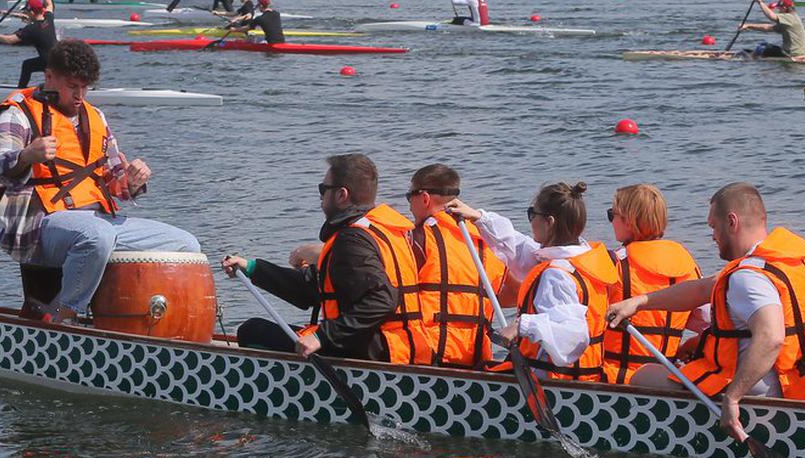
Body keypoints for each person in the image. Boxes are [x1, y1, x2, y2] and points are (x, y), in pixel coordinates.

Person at [0, 39, 200, 323]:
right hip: (40, 225)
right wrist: (27, 155)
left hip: (98, 222)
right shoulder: (18, 112)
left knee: (186, 244)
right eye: (73, 86)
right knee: (96, 236)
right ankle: (62, 314)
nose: (80, 95)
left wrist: (133, 181)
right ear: (50, 77)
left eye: (85, 87)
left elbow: (115, 180)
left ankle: (141, 322)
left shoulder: (94, 116)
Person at [606, 183, 805, 440]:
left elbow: (771, 338)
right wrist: (639, 301)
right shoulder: (788, 260)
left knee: (643, 375)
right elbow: (703, 288)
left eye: (713, 227)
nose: (712, 236)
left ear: (731, 222)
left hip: (762, 391)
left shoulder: (748, 278)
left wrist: (732, 398)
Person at [222, 153, 429, 363]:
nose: (320, 196)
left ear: (341, 195)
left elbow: (382, 299)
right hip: (396, 349)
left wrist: (322, 336)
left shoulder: (353, 240)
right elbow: (311, 289)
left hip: (373, 355)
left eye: (323, 189)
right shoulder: (383, 231)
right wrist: (252, 268)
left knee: (252, 331)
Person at [446, 182, 618, 380]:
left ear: (549, 222)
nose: (530, 221)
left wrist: (522, 325)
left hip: (555, 387)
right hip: (585, 378)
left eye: (532, 215)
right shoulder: (581, 260)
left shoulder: (556, 275)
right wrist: (480, 218)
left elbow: (573, 335)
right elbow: (519, 248)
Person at [407, 163, 512, 368]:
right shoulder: (487, 239)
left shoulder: (417, 238)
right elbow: (514, 294)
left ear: (424, 198)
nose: (409, 205)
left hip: (428, 359)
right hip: (476, 358)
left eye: (409, 196)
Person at [604, 184, 705, 384]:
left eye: (611, 214)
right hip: (666, 377)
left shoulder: (614, 264)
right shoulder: (688, 266)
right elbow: (709, 323)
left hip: (615, 380)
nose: (610, 221)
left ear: (628, 221)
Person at [0, 0, 56, 88]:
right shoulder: (48, 18)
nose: (25, 13)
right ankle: (49, 86)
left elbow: (10, 40)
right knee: (33, 65)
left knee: (27, 65)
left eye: (26, 11)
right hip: (58, 58)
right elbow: (50, 4)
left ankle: (20, 90)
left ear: (31, 11)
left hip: (48, 62)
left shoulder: (31, 28)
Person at [738, 0, 805, 58]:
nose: (778, 11)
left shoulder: (790, 17)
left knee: (761, 48)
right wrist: (748, 26)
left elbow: (771, 16)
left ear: (784, 8)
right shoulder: (791, 20)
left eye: (779, 8)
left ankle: (749, 58)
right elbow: (767, 28)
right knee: (764, 44)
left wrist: (760, 2)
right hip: (799, 52)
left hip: (792, 54)